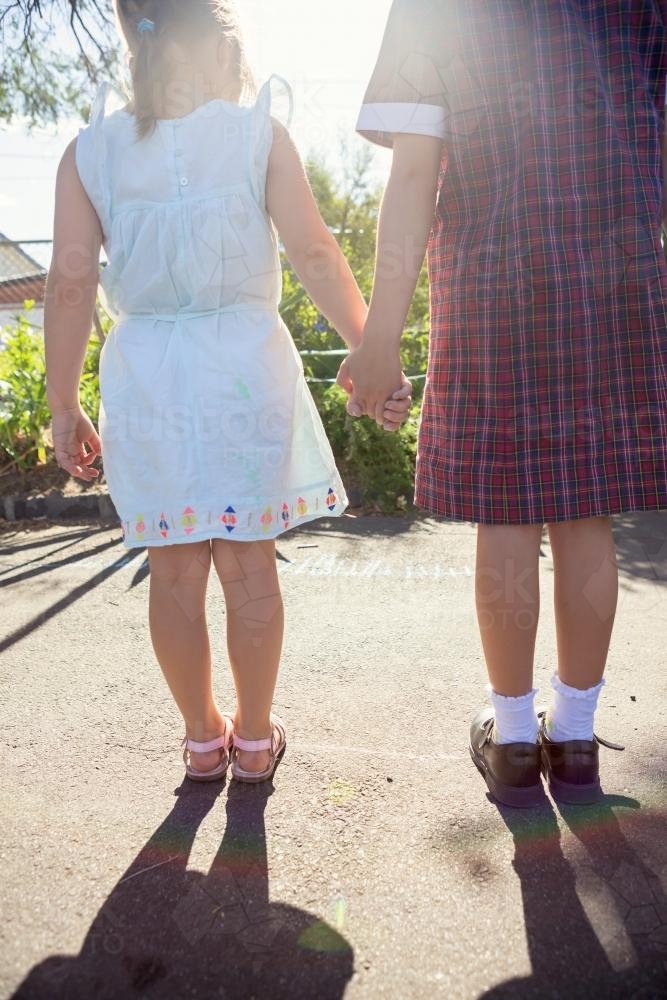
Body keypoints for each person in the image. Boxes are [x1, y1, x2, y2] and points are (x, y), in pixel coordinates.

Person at [44, 0, 410, 784]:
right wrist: (364, 346)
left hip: (146, 376)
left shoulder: (91, 153)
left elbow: (70, 283)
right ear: (220, 48)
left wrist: (63, 401)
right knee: (249, 565)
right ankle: (252, 736)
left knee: (174, 570)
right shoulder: (256, 134)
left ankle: (200, 736)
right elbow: (313, 250)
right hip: (244, 365)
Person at [341, 0, 667, 806]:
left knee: (508, 512)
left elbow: (414, 173)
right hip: (617, 275)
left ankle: (515, 738)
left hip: (491, 280)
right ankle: (577, 734)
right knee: (589, 510)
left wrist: (380, 337)